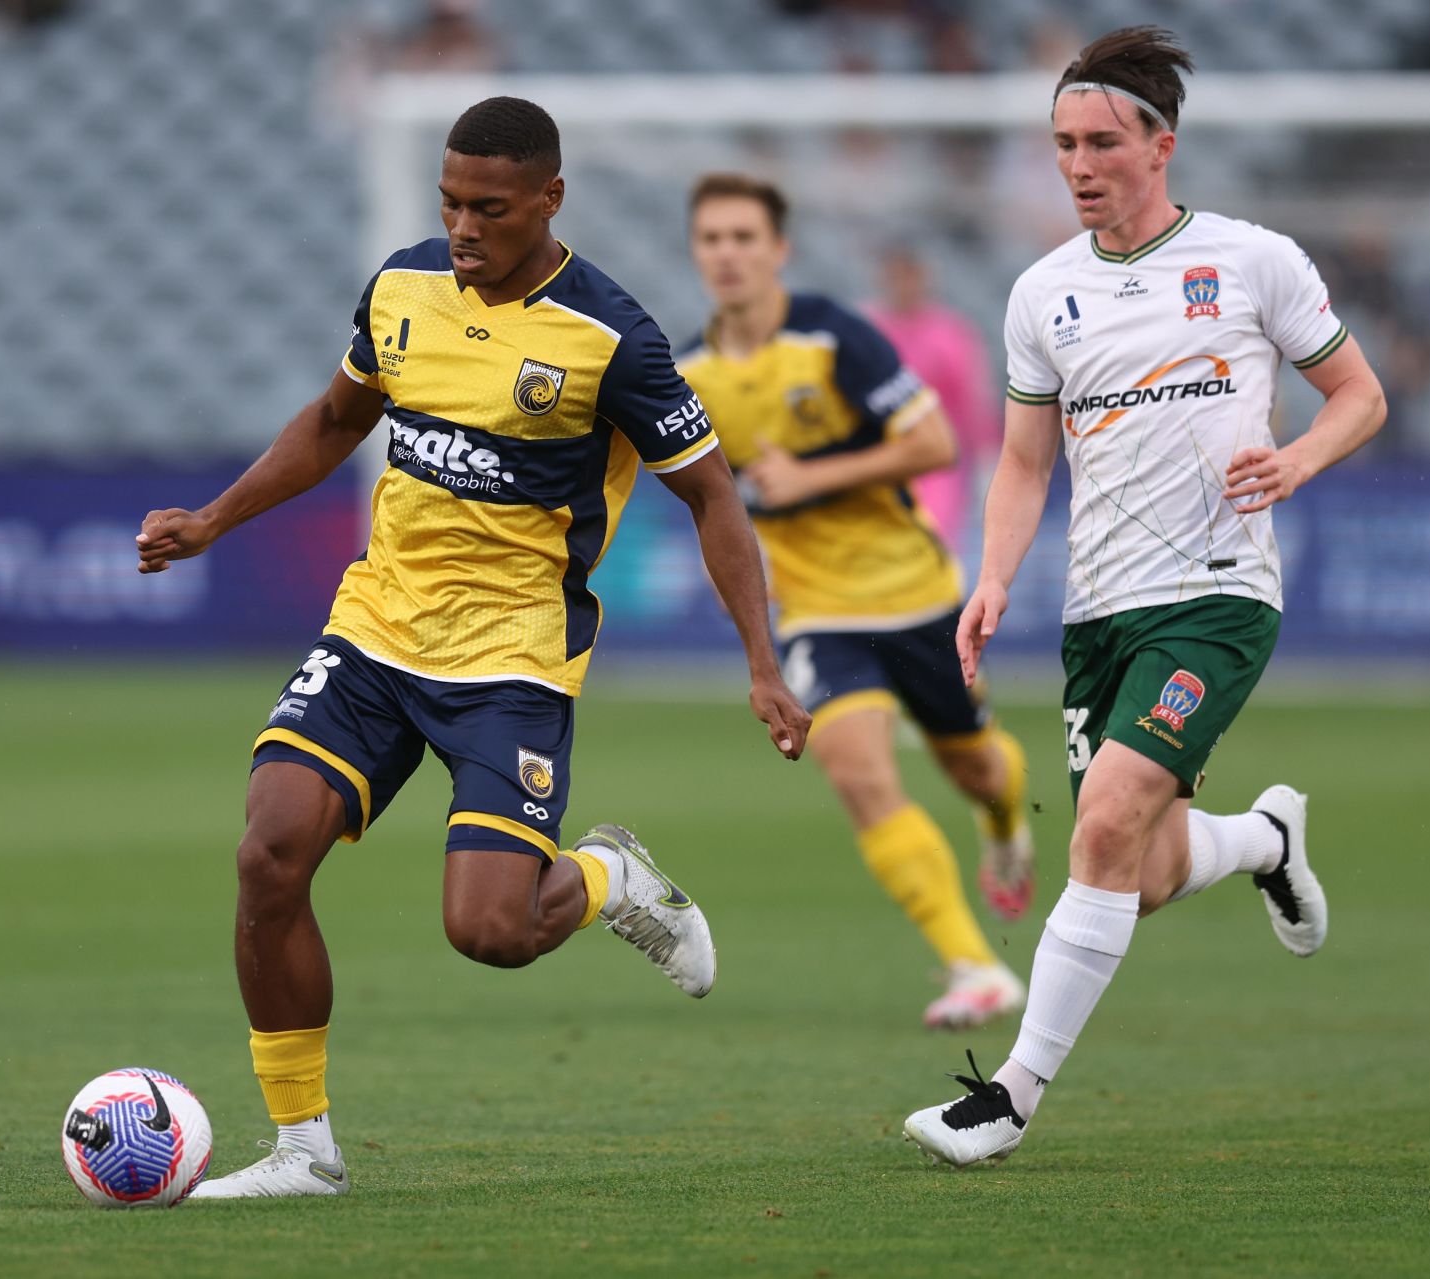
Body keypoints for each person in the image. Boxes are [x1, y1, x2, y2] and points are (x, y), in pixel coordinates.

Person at [135, 97, 810, 1199]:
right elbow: (335, 420)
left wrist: (762, 662)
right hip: (376, 629)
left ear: (548, 199)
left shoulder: (611, 339)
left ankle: (607, 877)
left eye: (488, 207)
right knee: (268, 853)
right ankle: (304, 1148)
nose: (461, 226)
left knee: (489, 932)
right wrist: (214, 518)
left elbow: (715, 498)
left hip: (511, 659)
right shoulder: (401, 289)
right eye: (449, 201)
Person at [903, 27, 1386, 1167]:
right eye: (1063, 143)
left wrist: (1298, 461)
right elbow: (1023, 463)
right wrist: (996, 577)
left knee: (1108, 819)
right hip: (1099, 608)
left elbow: (1357, 394)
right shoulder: (1041, 294)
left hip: (1219, 594)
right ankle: (1265, 837)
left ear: (1160, 146)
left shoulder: (1253, 260)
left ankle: (1009, 1096)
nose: (1078, 163)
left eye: (1102, 142)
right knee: (1141, 865)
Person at [677, 173, 1034, 1032]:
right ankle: (974, 964)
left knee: (976, 768)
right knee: (861, 776)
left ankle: (1004, 822)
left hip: (916, 595)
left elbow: (938, 441)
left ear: (779, 249)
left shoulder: (837, 339)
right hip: (818, 614)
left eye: (743, 237)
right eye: (712, 238)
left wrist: (812, 475)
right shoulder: (687, 371)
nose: (727, 254)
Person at [865, 245, 1002, 552]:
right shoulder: (865, 329)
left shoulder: (951, 334)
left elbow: (974, 403)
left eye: (910, 276)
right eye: (895, 276)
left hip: (936, 466)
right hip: (875, 465)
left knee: (928, 548)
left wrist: (986, 461)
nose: (903, 285)